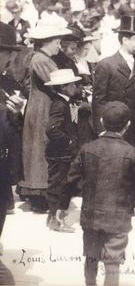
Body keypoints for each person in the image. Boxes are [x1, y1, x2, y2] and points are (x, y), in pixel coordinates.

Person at [59, 101, 135, 286]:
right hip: (118, 218)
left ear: (101, 121)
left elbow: (70, 180)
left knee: (91, 257)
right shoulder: (131, 152)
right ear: (127, 126)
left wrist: (63, 206)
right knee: (113, 261)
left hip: (91, 215)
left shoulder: (87, 149)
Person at [92, 15, 135, 212]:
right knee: (116, 166)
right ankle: (120, 206)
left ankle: (134, 203)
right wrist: (101, 128)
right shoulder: (106, 65)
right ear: (124, 40)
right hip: (114, 127)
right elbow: (98, 100)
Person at [19, 14, 72, 213]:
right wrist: (74, 88)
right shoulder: (42, 60)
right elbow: (60, 84)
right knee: (41, 150)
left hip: (41, 107)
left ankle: (39, 193)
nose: (59, 46)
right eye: (57, 42)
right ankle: (39, 194)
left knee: (39, 149)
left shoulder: (42, 58)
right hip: (42, 109)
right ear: (48, 42)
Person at [44, 69, 81, 232]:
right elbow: (51, 129)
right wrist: (68, 140)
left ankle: (57, 218)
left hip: (62, 153)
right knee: (57, 185)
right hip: (60, 154)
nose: (75, 86)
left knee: (62, 184)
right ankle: (54, 219)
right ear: (63, 87)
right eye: (72, 84)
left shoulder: (62, 101)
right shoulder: (59, 104)